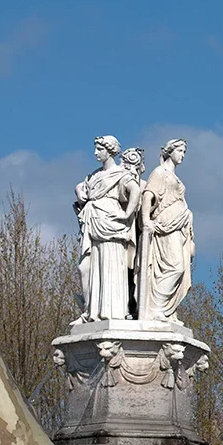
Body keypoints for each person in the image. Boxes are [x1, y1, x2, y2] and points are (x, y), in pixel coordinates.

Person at [73, 135, 140, 321]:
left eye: (99, 149)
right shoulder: (95, 175)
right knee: (86, 267)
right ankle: (91, 310)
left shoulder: (120, 174)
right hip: (92, 222)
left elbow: (135, 190)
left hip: (110, 222)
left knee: (110, 264)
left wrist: (127, 214)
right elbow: (81, 186)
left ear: (110, 151)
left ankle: (111, 312)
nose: (95, 153)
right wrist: (79, 191)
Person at [138, 138, 194, 322]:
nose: (183, 155)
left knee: (180, 268)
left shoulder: (175, 176)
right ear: (170, 151)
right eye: (180, 151)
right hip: (165, 225)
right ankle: (155, 308)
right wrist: (146, 220)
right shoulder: (160, 172)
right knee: (174, 267)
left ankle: (166, 310)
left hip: (178, 226)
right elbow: (148, 195)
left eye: (185, 152)